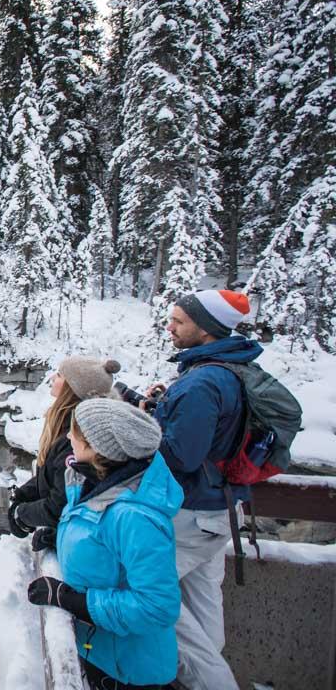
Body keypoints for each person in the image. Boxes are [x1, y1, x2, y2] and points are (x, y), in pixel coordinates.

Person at [137, 289, 259, 690]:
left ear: (206, 329)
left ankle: (213, 683)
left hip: (192, 514)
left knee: (145, 591)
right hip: (219, 510)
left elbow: (181, 456)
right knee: (203, 610)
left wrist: (141, 428)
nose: (169, 327)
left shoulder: (203, 381)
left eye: (178, 321)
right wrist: (160, 409)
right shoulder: (225, 368)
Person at [26, 399, 182, 690]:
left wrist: (72, 601)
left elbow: (157, 607)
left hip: (129, 670)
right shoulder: (93, 484)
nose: (68, 436)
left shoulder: (135, 517)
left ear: (97, 448)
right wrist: (62, 539)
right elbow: (103, 546)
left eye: (75, 432)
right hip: (102, 653)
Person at [8, 356, 122, 549]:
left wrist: (22, 514)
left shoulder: (78, 437)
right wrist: (23, 495)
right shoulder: (66, 422)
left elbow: (62, 503)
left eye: (60, 375)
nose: (53, 377)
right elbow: (53, 474)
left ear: (73, 388)